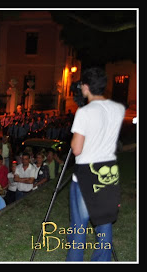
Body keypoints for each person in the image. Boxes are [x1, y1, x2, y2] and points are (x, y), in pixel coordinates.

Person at [66, 67, 125, 262]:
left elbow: (76, 149)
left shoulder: (84, 112)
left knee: (79, 227)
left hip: (86, 173)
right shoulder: (118, 109)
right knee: (104, 223)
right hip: (108, 171)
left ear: (86, 87)